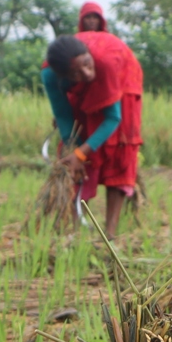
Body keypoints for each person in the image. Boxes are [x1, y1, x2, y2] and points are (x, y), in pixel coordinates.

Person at [42, 28, 143, 238]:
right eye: (76, 73)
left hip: (122, 77)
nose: (87, 74)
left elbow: (113, 118)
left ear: (89, 53)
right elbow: (63, 114)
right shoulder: (50, 75)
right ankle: (76, 231)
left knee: (117, 150)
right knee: (77, 153)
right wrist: (74, 149)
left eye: (87, 64)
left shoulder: (104, 64)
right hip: (86, 79)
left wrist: (81, 154)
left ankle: (110, 234)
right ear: (64, 76)